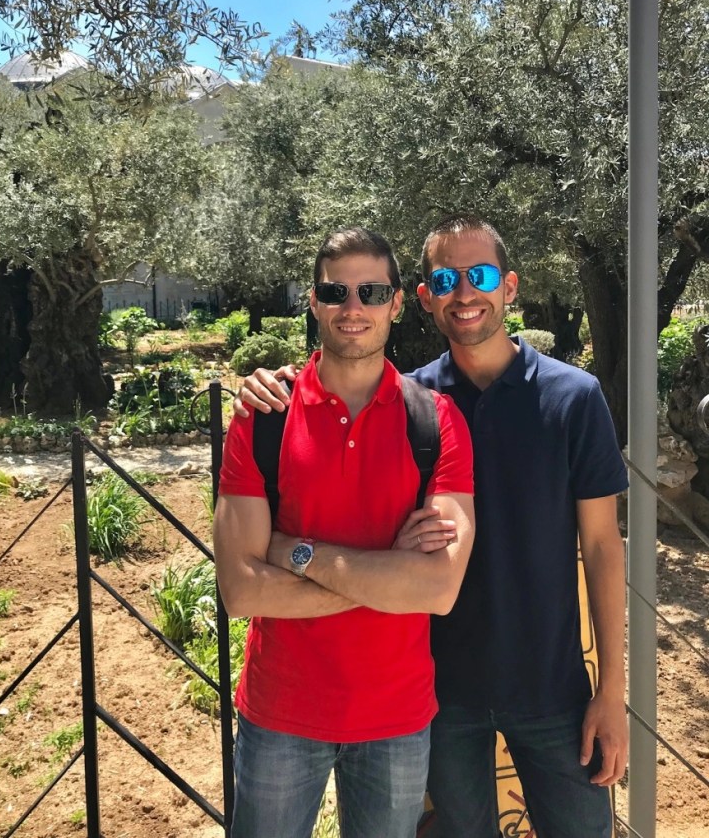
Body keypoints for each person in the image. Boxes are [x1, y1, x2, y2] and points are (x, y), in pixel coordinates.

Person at [235, 214, 629, 838]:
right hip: (444, 695)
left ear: (510, 286)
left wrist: (612, 692)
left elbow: (603, 547)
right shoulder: (416, 402)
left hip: (552, 688)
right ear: (422, 298)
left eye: (481, 276)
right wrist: (271, 387)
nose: (464, 293)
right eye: (445, 279)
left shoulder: (572, 397)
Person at [213, 226, 475, 838]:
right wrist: (388, 578)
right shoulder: (263, 418)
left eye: (370, 292)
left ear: (396, 303)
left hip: (395, 719)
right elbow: (242, 592)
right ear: (314, 301)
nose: (352, 307)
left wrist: (295, 552)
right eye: (335, 292)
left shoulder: (435, 422)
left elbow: (437, 590)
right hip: (281, 713)